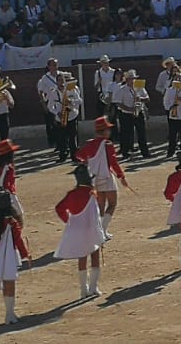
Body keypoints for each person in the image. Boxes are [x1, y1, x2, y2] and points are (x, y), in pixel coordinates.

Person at [72, 116, 130, 239]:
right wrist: (121, 176)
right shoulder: (107, 144)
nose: (109, 132)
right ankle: (102, 230)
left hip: (93, 178)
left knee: (100, 206)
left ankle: (99, 231)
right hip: (107, 177)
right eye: (107, 130)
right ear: (104, 131)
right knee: (112, 204)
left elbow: (78, 155)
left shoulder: (89, 143)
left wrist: (87, 161)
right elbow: (113, 162)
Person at [54, 163, 106, 298]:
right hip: (90, 229)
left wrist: (69, 220)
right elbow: (96, 215)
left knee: (82, 258)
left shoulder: (71, 194)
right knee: (95, 256)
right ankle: (94, 287)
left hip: (76, 230)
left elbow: (59, 208)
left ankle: (84, 289)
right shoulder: (92, 194)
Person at [0, 188, 28, 325]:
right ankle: (9, 313)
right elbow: (18, 239)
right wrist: (25, 254)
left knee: (5, 283)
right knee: (10, 283)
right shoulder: (12, 222)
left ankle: (8, 312)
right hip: (10, 254)